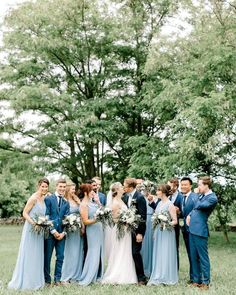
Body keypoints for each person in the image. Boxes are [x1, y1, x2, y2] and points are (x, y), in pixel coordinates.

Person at [8, 178, 50, 290]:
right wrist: (34, 223)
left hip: (40, 231)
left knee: (38, 255)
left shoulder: (44, 198)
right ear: (38, 186)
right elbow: (25, 213)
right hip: (31, 230)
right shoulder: (33, 198)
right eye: (43, 186)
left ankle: (36, 280)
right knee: (30, 254)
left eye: (46, 187)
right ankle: (27, 282)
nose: (45, 188)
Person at [102, 182, 137, 284]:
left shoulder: (121, 200)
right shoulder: (115, 203)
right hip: (120, 229)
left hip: (126, 230)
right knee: (119, 251)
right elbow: (114, 218)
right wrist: (126, 221)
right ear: (116, 190)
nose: (123, 188)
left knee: (125, 251)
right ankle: (117, 274)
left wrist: (129, 219)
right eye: (121, 187)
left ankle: (126, 273)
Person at [187, 176, 218, 290]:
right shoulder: (201, 196)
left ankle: (205, 282)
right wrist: (189, 215)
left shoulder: (212, 198)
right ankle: (196, 280)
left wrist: (194, 195)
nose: (198, 187)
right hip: (192, 229)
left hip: (200, 231)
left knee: (203, 257)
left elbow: (200, 206)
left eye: (199, 185)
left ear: (206, 185)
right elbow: (194, 209)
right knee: (194, 256)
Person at [148, 184, 178, 285]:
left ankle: (166, 276)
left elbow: (175, 221)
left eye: (158, 190)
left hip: (167, 232)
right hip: (158, 231)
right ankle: (158, 275)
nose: (156, 192)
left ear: (164, 192)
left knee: (166, 253)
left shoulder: (170, 204)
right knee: (159, 253)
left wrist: (166, 223)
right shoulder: (159, 203)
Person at [44, 178, 70, 286]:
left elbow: (68, 219)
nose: (62, 189)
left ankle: (57, 279)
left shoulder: (66, 202)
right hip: (50, 233)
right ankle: (47, 280)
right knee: (48, 256)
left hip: (62, 235)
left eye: (64, 187)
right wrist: (53, 231)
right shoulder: (49, 199)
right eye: (60, 186)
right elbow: (46, 215)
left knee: (60, 257)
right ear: (56, 186)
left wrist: (63, 233)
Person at [122, 178, 147, 285]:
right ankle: (133, 275)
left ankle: (141, 278)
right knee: (129, 253)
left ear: (131, 187)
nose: (124, 187)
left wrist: (140, 233)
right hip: (128, 230)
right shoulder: (126, 196)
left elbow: (142, 216)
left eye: (125, 186)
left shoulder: (140, 197)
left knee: (135, 253)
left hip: (137, 230)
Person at [79, 184, 104, 286]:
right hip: (92, 230)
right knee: (93, 252)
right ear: (86, 193)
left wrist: (98, 202)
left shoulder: (91, 202)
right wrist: (96, 220)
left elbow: (101, 209)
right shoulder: (84, 205)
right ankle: (89, 276)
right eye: (91, 191)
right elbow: (85, 221)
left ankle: (97, 275)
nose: (93, 192)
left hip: (98, 229)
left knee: (99, 251)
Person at [61, 183, 84, 283]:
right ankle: (67, 274)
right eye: (72, 189)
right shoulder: (64, 201)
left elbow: (81, 214)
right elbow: (62, 216)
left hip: (78, 229)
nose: (74, 191)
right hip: (69, 230)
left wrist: (83, 227)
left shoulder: (77, 199)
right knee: (70, 252)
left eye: (74, 189)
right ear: (67, 190)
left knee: (78, 251)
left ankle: (76, 274)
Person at [179, 177, 198, 284]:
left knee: (195, 254)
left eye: (185, 184)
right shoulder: (182, 198)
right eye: (182, 184)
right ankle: (192, 278)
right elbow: (184, 213)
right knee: (190, 254)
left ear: (190, 186)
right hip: (185, 230)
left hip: (194, 230)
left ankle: (196, 278)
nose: (183, 186)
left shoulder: (195, 197)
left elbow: (196, 212)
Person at [167, 177, 183, 269]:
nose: (168, 187)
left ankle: (175, 268)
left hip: (174, 226)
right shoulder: (167, 196)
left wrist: (179, 212)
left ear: (175, 186)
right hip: (164, 224)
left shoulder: (180, 197)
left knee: (174, 246)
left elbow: (183, 212)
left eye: (169, 185)